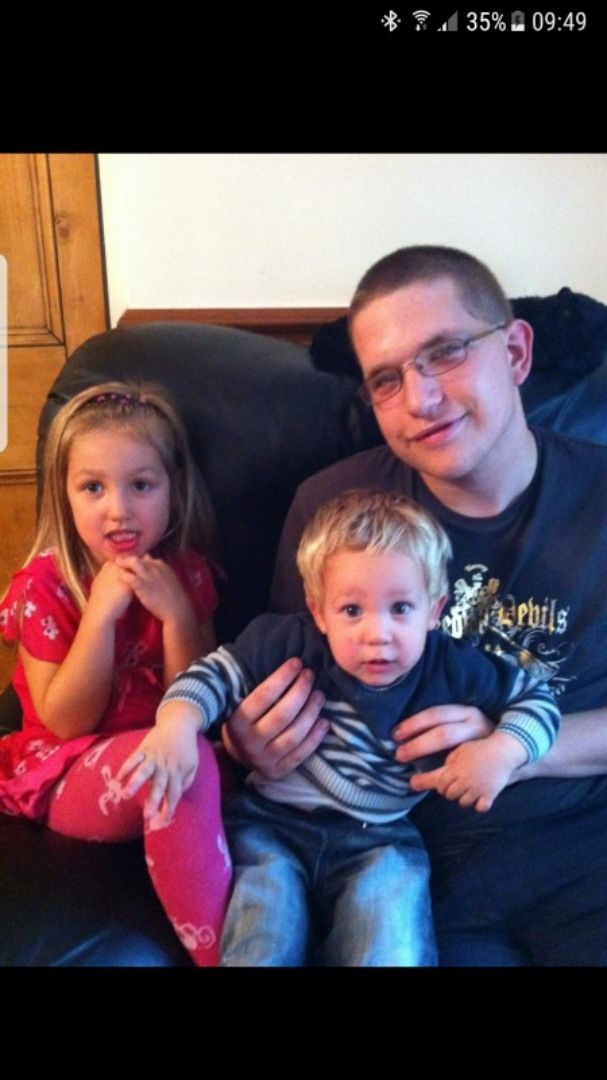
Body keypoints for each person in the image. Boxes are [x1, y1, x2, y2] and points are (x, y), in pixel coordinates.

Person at [224, 246, 607, 966]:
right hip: (411, 870)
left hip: (586, 853)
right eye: (386, 379)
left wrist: (511, 745)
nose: (420, 400)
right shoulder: (331, 513)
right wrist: (243, 741)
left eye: (446, 353)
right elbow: (275, 695)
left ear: (516, 352)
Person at [126, 489, 559, 966]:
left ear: (435, 611)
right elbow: (215, 674)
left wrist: (503, 751)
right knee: (263, 934)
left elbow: (537, 698)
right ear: (319, 612)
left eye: (401, 608)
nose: (377, 635)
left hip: (381, 839)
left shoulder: (453, 668)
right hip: (274, 826)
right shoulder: (288, 642)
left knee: (392, 942)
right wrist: (177, 723)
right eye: (352, 611)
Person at [0, 381, 231, 966]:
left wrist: (177, 615)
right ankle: (222, 958)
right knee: (180, 763)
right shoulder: (46, 586)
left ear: (174, 489)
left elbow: (199, 704)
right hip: (69, 770)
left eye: (141, 485)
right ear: (65, 496)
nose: (118, 509)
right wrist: (100, 615)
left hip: (169, 752)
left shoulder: (186, 573)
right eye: (93, 488)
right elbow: (64, 722)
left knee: (201, 757)